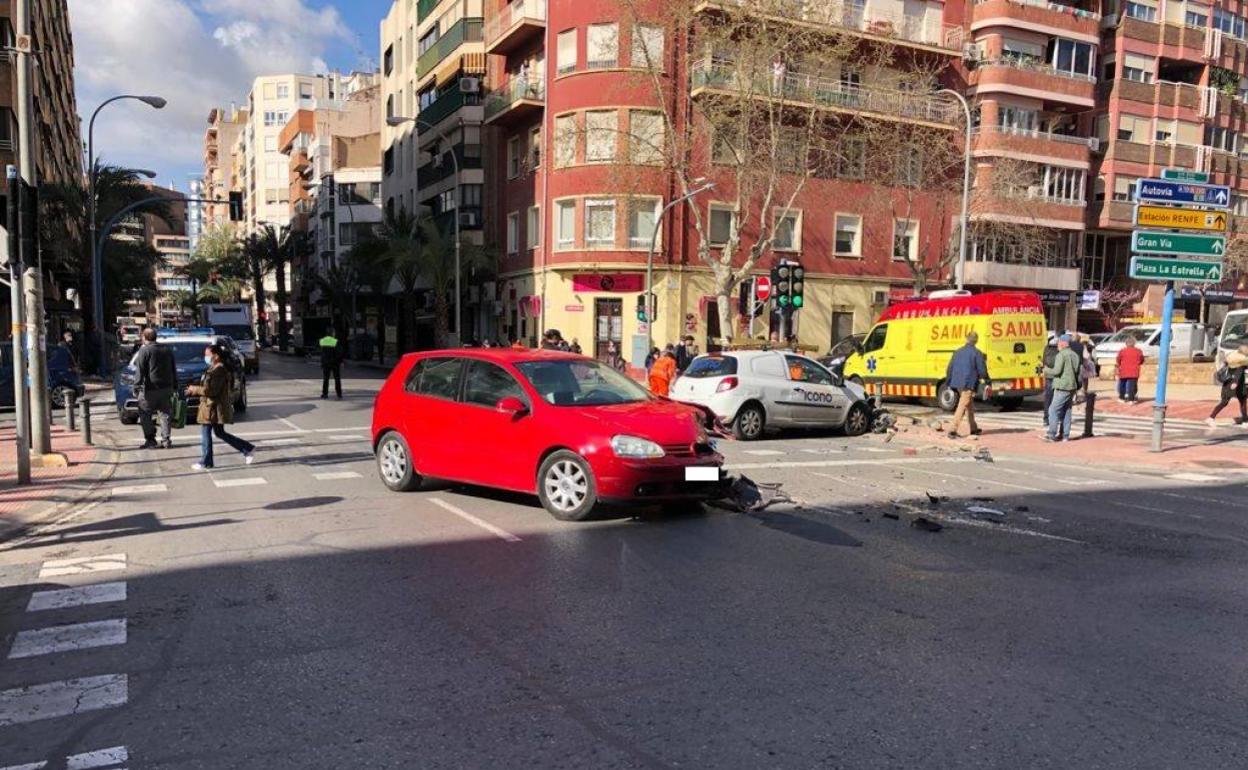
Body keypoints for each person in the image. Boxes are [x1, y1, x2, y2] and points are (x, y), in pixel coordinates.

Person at [187, 343, 255, 470]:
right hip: (212, 406)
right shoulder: (214, 368)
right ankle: (247, 448)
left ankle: (206, 461)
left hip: (212, 407)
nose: (206, 357)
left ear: (216, 356)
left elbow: (211, 391)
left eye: (208, 355)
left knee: (206, 433)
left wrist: (194, 389)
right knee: (219, 433)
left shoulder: (219, 370)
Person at [132, 328, 177, 449]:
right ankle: (166, 440)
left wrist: (136, 386)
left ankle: (150, 439)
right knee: (165, 414)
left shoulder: (144, 350)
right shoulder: (167, 350)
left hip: (150, 389)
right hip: (166, 387)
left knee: (145, 414)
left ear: (144, 337)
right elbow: (173, 369)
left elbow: (140, 370)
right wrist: (175, 385)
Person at [945, 331, 989, 438]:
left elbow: (950, 368)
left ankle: (973, 428)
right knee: (962, 405)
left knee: (968, 404)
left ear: (966, 339)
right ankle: (952, 430)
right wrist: (987, 380)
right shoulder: (977, 353)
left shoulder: (957, 352)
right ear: (976, 341)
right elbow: (982, 370)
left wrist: (948, 381)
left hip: (958, 382)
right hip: (969, 382)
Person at [1043, 334, 1081, 442]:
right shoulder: (1074, 355)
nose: (1057, 345)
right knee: (1067, 410)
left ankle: (1051, 434)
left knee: (1053, 410)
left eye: (1059, 342)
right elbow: (1077, 370)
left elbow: (1056, 371)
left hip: (1062, 386)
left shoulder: (1061, 355)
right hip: (1072, 386)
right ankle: (1065, 435)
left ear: (1064, 343)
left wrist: (1045, 370)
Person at [1207, 343, 1248, 429]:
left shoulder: (1234, 359)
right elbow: (1238, 373)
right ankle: (1211, 418)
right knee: (1235, 402)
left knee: (1237, 402)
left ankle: (1245, 421)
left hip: (1233, 384)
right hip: (1234, 384)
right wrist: (1235, 383)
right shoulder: (1240, 361)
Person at [1115, 336, 1144, 403]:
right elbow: (1142, 360)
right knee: (1132, 385)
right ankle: (1131, 399)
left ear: (1126, 343)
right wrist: (1138, 363)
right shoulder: (1138, 351)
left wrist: (1120, 364)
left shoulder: (1122, 351)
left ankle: (1121, 398)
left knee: (1122, 384)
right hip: (1134, 370)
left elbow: (1118, 359)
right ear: (1134, 343)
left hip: (1124, 369)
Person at [1040, 337, 1058, 429]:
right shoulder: (1059, 350)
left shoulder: (1046, 348)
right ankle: (1054, 418)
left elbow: (1043, 361)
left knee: (1048, 398)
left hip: (1048, 376)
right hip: (1057, 376)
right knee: (1057, 399)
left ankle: (1046, 419)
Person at [319, 330, 342, 399]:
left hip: (326, 363)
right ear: (332, 334)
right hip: (335, 363)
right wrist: (340, 361)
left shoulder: (322, 341)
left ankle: (325, 394)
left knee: (326, 379)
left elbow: (321, 352)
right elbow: (339, 353)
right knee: (337, 379)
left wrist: (322, 362)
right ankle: (339, 394)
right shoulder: (335, 341)